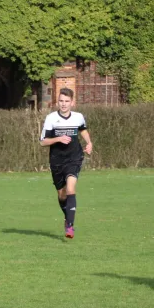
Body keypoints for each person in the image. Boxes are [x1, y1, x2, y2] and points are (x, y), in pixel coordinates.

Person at [40, 87, 92, 238]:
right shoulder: (51, 119)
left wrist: (89, 143)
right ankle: (67, 216)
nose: (63, 104)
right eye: (61, 101)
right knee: (62, 195)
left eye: (67, 101)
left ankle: (70, 226)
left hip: (74, 158)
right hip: (57, 161)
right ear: (57, 102)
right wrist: (58, 139)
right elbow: (43, 142)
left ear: (72, 102)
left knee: (70, 188)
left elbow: (83, 130)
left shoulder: (78, 117)